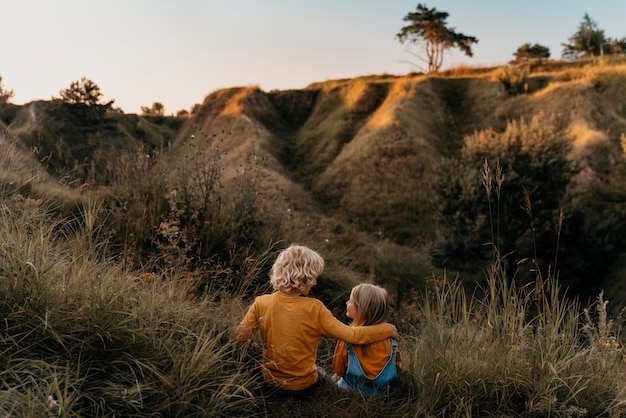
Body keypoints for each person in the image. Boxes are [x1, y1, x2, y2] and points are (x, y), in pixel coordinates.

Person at [233, 244, 398, 395]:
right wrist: (387, 329)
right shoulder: (315, 308)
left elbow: (238, 339)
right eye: (313, 277)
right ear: (303, 277)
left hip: (270, 381)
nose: (315, 282)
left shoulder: (261, 303)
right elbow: (353, 336)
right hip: (303, 386)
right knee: (321, 373)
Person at [332, 283, 402, 396]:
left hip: (350, 391)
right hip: (381, 393)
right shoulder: (390, 340)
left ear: (361, 309)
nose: (346, 303)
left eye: (350, 301)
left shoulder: (347, 339)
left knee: (335, 378)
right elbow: (397, 365)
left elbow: (338, 369)